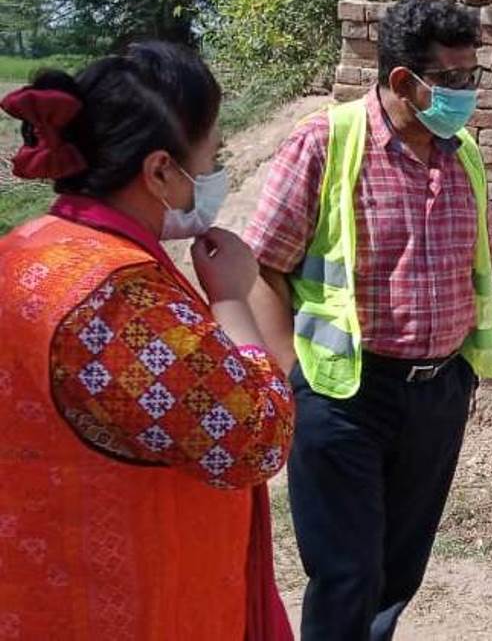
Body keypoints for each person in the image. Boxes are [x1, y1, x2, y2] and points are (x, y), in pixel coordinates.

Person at [0, 43, 294, 640]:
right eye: (213, 156)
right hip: (122, 605)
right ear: (160, 171)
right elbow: (253, 440)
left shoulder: (28, 249)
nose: (215, 172)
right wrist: (232, 297)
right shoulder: (119, 302)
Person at [244, 0, 492, 640]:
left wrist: (460, 376)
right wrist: (291, 377)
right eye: (451, 77)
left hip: (438, 394)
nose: (466, 90)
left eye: (473, 73)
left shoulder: (462, 152)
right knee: (347, 572)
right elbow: (261, 267)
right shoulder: (326, 142)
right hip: (344, 394)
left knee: (397, 570)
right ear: (403, 80)